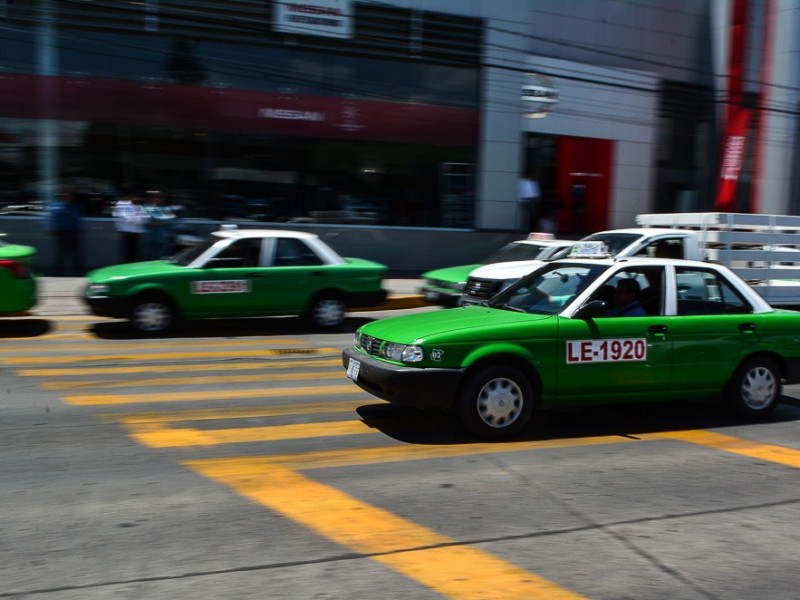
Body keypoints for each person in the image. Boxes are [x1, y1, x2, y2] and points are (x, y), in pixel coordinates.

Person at [46, 188, 84, 276]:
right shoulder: (56, 206)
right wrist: (51, 229)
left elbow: (77, 219)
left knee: (75, 254)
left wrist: (79, 228)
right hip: (62, 233)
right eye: (68, 195)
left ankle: (78, 272)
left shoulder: (74, 206)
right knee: (61, 254)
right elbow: (52, 219)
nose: (70, 197)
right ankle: (57, 272)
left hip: (72, 233)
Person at [113, 188, 150, 263]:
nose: (136, 198)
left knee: (136, 256)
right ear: (130, 196)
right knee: (127, 256)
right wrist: (139, 217)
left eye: (137, 197)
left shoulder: (139, 206)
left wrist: (136, 217)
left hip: (137, 234)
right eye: (134, 196)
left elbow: (147, 218)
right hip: (126, 233)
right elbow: (127, 219)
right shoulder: (121, 204)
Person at [143, 190, 176, 259]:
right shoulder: (147, 207)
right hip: (150, 237)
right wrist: (163, 220)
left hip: (163, 238)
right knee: (150, 257)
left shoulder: (165, 208)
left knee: (161, 257)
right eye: (155, 197)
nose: (159, 199)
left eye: (160, 197)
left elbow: (171, 219)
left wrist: (160, 222)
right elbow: (148, 220)